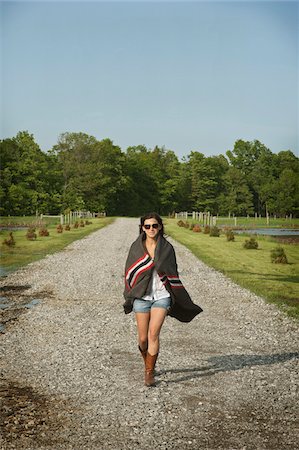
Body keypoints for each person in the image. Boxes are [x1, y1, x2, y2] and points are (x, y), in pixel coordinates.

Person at [123, 212, 203, 387]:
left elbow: (172, 272)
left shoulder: (167, 248)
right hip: (142, 297)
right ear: (142, 228)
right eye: (147, 226)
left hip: (162, 296)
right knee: (142, 338)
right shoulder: (136, 247)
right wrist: (130, 292)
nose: (151, 229)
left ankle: (149, 373)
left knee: (153, 334)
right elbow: (130, 273)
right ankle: (147, 362)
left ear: (160, 227)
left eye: (155, 225)